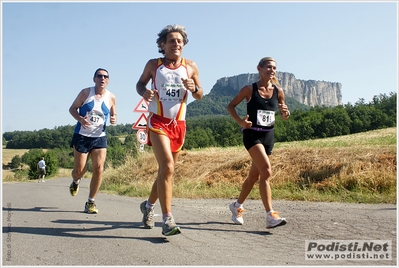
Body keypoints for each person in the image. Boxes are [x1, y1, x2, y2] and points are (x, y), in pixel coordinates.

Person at [136, 24, 203, 236]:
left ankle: (148, 206)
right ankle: (167, 220)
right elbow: (139, 84)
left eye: (180, 41)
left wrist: (194, 88)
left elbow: (200, 94)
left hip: (179, 124)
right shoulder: (153, 65)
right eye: (172, 41)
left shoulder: (190, 66)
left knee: (166, 171)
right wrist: (144, 92)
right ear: (162, 45)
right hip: (158, 121)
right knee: (167, 167)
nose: (176, 44)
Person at [226, 57, 290, 229]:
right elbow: (230, 106)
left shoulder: (278, 91)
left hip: (269, 136)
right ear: (259, 69)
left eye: (274, 68)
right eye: (268, 67)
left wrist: (285, 113)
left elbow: (283, 116)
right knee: (266, 172)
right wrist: (241, 122)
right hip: (252, 135)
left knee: (254, 176)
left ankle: (237, 206)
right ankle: (270, 215)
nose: (272, 70)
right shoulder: (249, 89)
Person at [68, 68, 117, 214]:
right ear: (94, 79)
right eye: (99, 76)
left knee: (99, 168)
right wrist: (80, 119)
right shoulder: (85, 93)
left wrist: (114, 119)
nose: (102, 78)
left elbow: (114, 114)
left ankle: (91, 202)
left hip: (99, 137)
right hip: (82, 136)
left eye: (105, 76)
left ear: (108, 80)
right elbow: (72, 109)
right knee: (79, 171)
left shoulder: (111, 97)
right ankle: (76, 181)